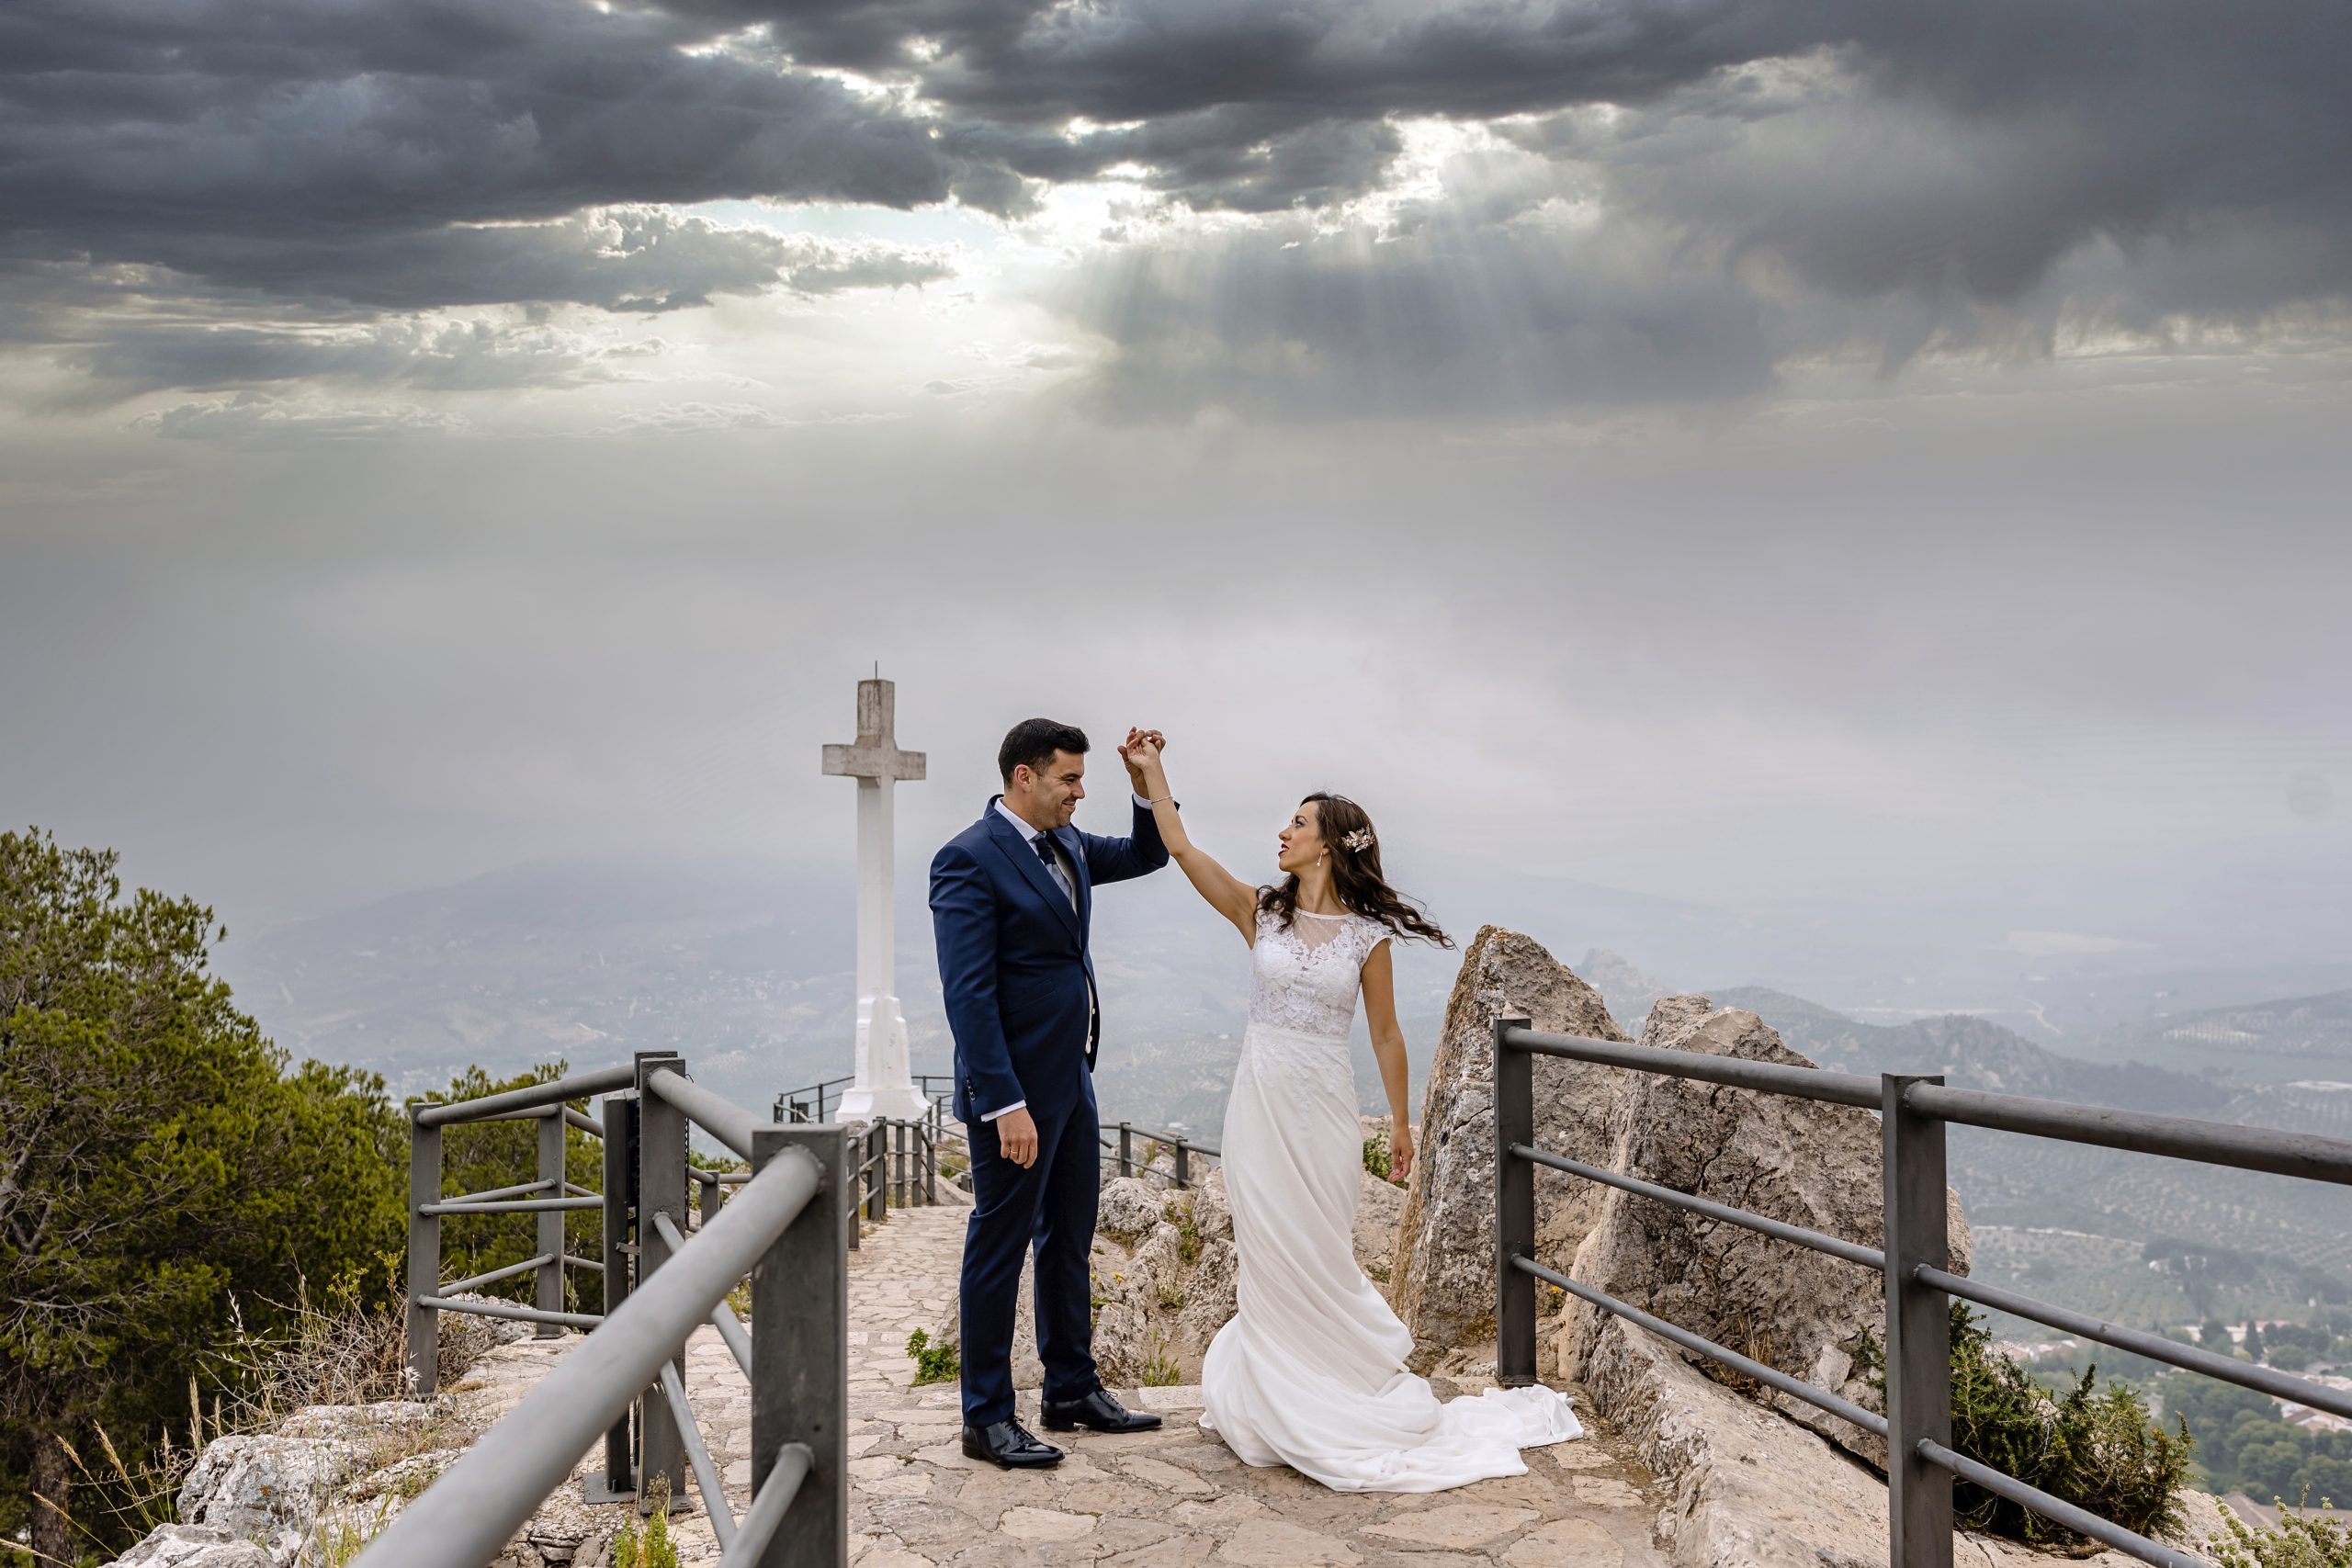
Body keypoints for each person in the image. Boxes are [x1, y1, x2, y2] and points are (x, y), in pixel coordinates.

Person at [1117, 732, 1585, 1492]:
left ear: (1328, 844)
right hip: (1260, 1106)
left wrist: (1400, 1123)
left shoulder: (1367, 939)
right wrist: (1151, 773)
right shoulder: (1258, 913)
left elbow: (1387, 1033)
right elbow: (1181, 848)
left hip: (1323, 1110)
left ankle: (1330, 1391)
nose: (1283, 832)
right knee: (1270, 1252)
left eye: (1297, 824)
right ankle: (1278, 1399)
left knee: (1320, 1251)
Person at [929, 716, 1175, 1469]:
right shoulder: (968, 859)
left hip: (1073, 1079)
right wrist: (1005, 1103)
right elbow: (968, 996)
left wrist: (1146, 787)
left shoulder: (1067, 842)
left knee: (1069, 1235)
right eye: (1069, 777)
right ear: (1024, 777)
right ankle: (986, 1416)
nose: (1079, 790)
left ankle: (1070, 1387)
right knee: (998, 1247)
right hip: (1016, 1098)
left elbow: (1148, 851)